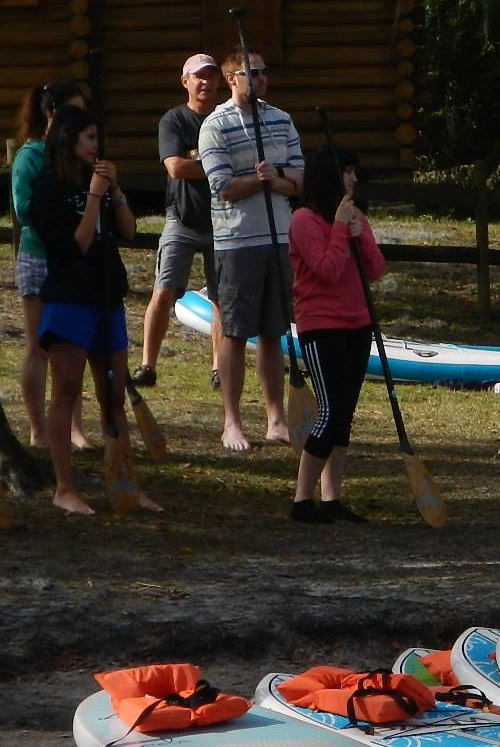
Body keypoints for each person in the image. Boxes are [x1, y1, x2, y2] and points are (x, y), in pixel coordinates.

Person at [27, 105, 161, 517]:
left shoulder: (99, 181)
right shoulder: (47, 188)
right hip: (69, 299)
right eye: (88, 138)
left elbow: (128, 230)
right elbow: (77, 243)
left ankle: (124, 483)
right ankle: (64, 487)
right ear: (68, 139)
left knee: (114, 395)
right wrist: (93, 198)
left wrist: (114, 192)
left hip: (107, 296)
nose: (96, 146)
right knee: (66, 392)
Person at [198, 48, 303, 452]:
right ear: (231, 78)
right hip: (237, 241)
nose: (259, 79)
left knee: (273, 332)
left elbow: (298, 176)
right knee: (236, 334)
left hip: (279, 237)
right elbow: (222, 186)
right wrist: (262, 181)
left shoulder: (281, 119)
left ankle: (276, 418)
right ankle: (232, 421)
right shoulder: (215, 125)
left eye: (263, 72)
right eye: (250, 73)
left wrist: (273, 177)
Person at [287, 147, 387, 524]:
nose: (354, 179)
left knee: (344, 414)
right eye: (347, 172)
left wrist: (360, 234)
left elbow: (376, 269)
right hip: (321, 325)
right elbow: (326, 270)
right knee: (329, 411)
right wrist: (341, 229)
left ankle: (332, 499)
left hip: (357, 324)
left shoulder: (353, 216)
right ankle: (301, 499)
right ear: (330, 177)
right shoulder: (304, 220)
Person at [136, 54, 227, 391]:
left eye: (210, 76)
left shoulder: (226, 118)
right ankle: (147, 364)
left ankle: (219, 367)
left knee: (221, 296)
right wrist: (220, 167)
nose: (205, 82)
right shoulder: (173, 120)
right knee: (164, 289)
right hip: (183, 220)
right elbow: (175, 167)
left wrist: (199, 163)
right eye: (197, 76)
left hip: (223, 221)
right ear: (185, 81)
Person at [10, 80, 91, 452]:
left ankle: (74, 427)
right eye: (71, 112)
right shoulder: (31, 156)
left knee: (72, 347)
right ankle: (38, 428)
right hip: (40, 256)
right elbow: (24, 209)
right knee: (39, 346)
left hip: (74, 260)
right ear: (51, 114)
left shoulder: (79, 158)